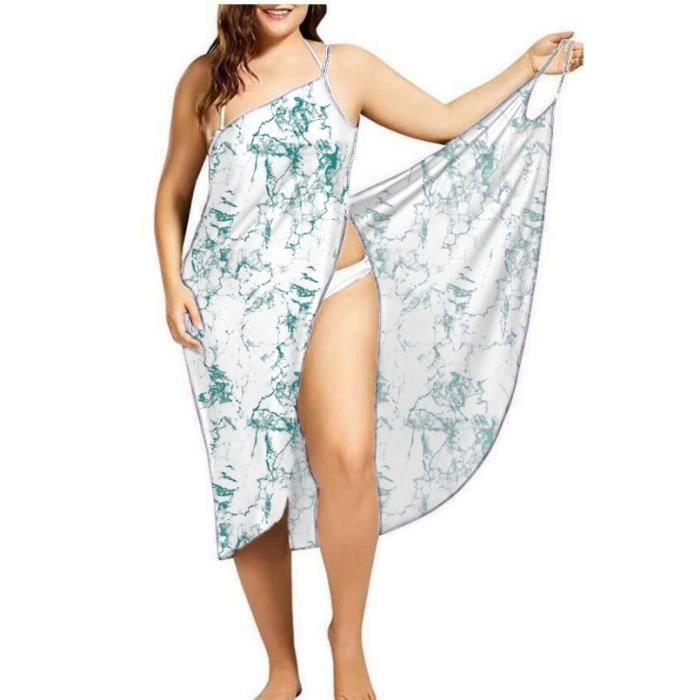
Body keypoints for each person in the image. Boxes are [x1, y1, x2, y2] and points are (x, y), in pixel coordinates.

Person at [154, 5, 583, 699]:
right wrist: (172, 281)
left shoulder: (345, 68)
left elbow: (444, 120)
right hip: (234, 305)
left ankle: (346, 644)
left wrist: (526, 67)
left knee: (349, 459)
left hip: (337, 285)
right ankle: (281, 668)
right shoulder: (205, 79)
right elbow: (175, 190)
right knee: (252, 479)